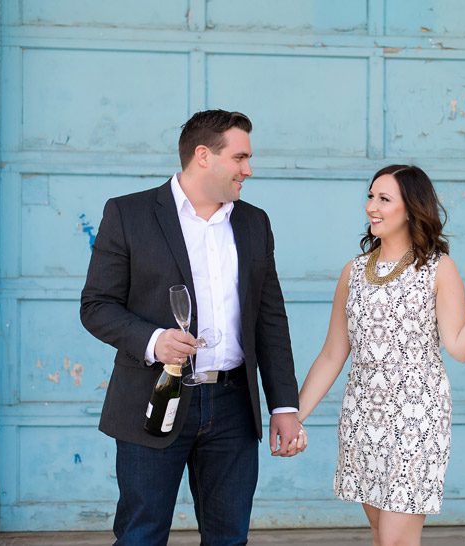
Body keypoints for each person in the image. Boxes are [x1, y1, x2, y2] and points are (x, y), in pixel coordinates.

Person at [80, 110, 305, 546]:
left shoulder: (253, 222)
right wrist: (154, 341)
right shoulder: (129, 214)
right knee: (140, 536)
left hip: (233, 407)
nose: (248, 169)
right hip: (153, 399)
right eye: (240, 157)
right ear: (203, 155)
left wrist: (283, 406)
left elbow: (270, 319)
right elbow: (96, 306)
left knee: (229, 538)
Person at [294, 165, 465, 546]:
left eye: (384, 199)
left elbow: (461, 347)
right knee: (384, 538)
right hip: (363, 419)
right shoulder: (353, 272)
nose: (371, 207)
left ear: (412, 209)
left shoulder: (439, 269)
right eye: (370, 196)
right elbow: (333, 354)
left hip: (416, 421)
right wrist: (293, 416)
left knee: (397, 541)